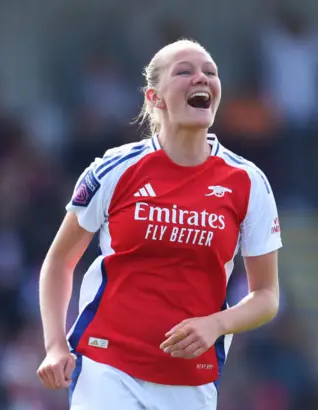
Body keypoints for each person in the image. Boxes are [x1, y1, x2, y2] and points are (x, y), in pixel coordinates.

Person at [36, 38, 283, 410]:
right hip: (107, 366)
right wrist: (56, 345)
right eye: (184, 71)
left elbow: (266, 296)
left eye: (210, 72)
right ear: (154, 98)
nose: (201, 78)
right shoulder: (113, 170)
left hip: (191, 379)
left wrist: (216, 324)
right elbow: (59, 261)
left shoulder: (248, 182)